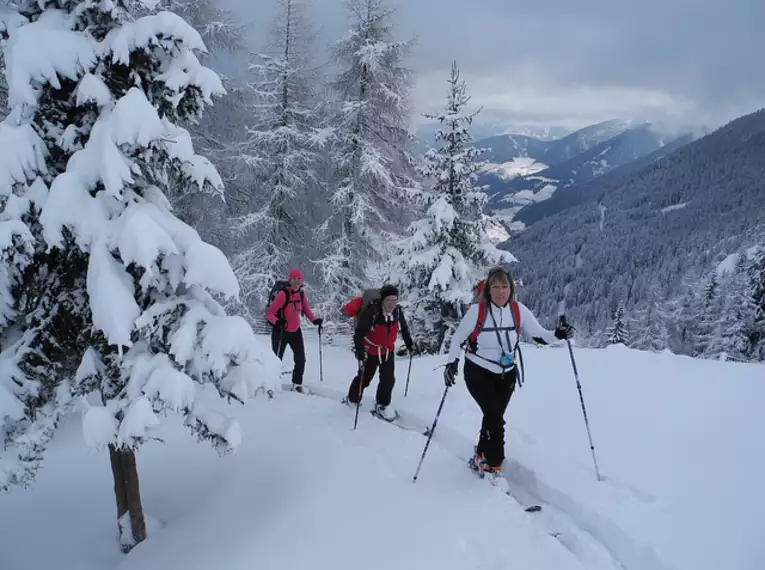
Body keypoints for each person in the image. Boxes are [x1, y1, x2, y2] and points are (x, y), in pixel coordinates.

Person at [443, 266, 574, 483]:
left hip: (506, 375)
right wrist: (451, 363)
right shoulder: (477, 312)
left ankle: (480, 455)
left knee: (492, 416)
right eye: (495, 287)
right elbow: (457, 339)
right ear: (488, 289)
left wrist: (558, 335)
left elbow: (539, 337)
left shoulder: (518, 310)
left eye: (504, 287)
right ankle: (495, 465)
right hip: (478, 371)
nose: (500, 291)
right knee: (495, 418)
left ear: (511, 289)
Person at [345, 284, 413, 421]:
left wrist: (410, 344)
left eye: (394, 301)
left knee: (388, 379)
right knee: (364, 378)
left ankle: (382, 405)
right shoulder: (372, 312)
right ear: (382, 300)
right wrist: (359, 349)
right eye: (389, 300)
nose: (391, 304)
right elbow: (359, 332)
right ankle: (352, 399)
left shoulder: (397, 312)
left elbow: (404, 329)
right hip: (370, 351)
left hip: (387, 351)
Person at [266, 268, 323, 392]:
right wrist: (277, 321)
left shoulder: (301, 294)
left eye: (299, 279)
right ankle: (269, 384)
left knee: (300, 359)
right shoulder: (283, 295)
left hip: (296, 331)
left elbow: (306, 309)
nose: (297, 281)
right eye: (294, 279)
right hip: (281, 331)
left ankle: (297, 383)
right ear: (290, 280)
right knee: (276, 360)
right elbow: (269, 313)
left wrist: (314, 320)